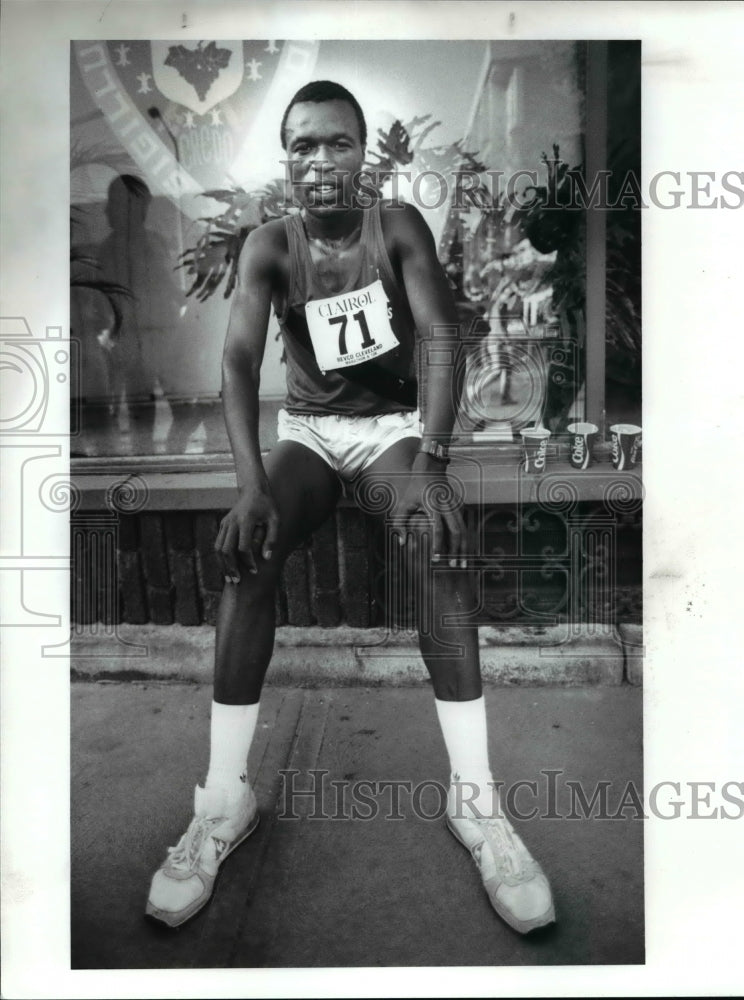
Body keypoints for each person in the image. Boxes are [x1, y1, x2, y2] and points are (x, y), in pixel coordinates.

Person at [146, 81, 555, 936]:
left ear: (361, 156)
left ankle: (475, 803)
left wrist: (434, 462)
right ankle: (224, 802)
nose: (318, 160)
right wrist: (252, 486)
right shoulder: (269, 245)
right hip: (311, 433)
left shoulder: (394, 226)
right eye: (301, 145)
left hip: (393, 433)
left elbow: (441, 334)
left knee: (438, 549)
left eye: (335, 143)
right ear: (285, 159)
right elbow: (233, 366)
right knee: (249, 552)